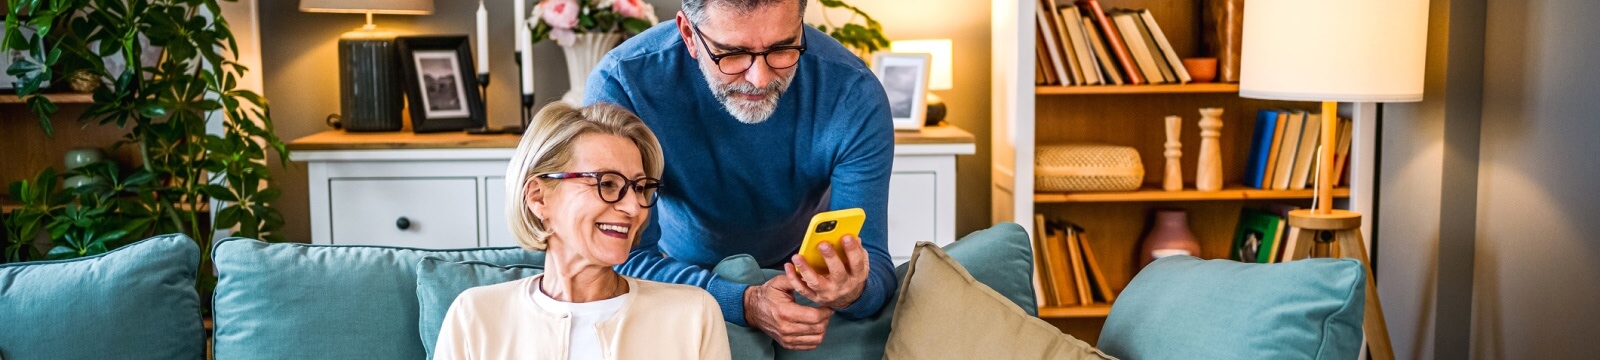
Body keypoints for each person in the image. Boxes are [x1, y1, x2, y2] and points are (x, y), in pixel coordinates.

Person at [584, 0, 896, 350]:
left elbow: (877, 266)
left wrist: (852, 291)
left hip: (803, 280)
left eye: (782, 48)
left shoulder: (853, 93)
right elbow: (621, 258)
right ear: (688, 33)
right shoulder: (623, 85)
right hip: (677, 275)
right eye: (731, 54)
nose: (759, 79)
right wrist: (745, 302)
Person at [433, 102, 731, 359]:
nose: (634, 207)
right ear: (538, 197)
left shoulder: (694, 314)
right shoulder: (474, 316)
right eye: (607, 184)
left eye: (639, 188)